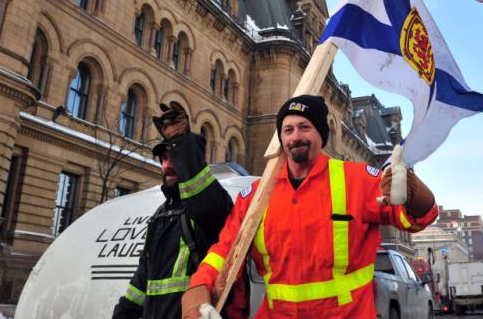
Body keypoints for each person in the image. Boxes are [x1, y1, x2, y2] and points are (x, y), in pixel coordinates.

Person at [182, 95, 438, 318]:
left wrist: (414, 193)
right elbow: (226, 249)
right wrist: (199, 286)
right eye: (288, 130)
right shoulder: (256, 196)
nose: (296, 137)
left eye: (304, 127)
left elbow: (417, 218)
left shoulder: (357, 179)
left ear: (321, 134)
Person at [112, 101, 247, 319]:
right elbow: (142, 283)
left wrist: (181, 143)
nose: (167, 165)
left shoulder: (213, 205)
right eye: (164, 158)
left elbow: (202, 200)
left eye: (174, 157)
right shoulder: (160, 215)